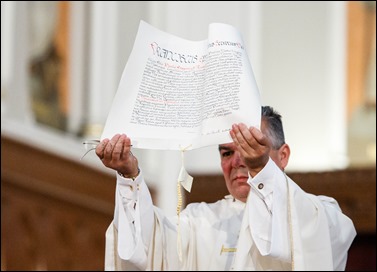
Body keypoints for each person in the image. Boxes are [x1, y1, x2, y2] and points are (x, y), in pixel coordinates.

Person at [95, 106, 356, 271]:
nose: (239, 162)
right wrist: (129, 176)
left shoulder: (320, 213)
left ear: (283, 155)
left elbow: (315, 243)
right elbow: (148, 252)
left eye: (251, 149)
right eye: (227, 152)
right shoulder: (199, 222)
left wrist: (261, 172)